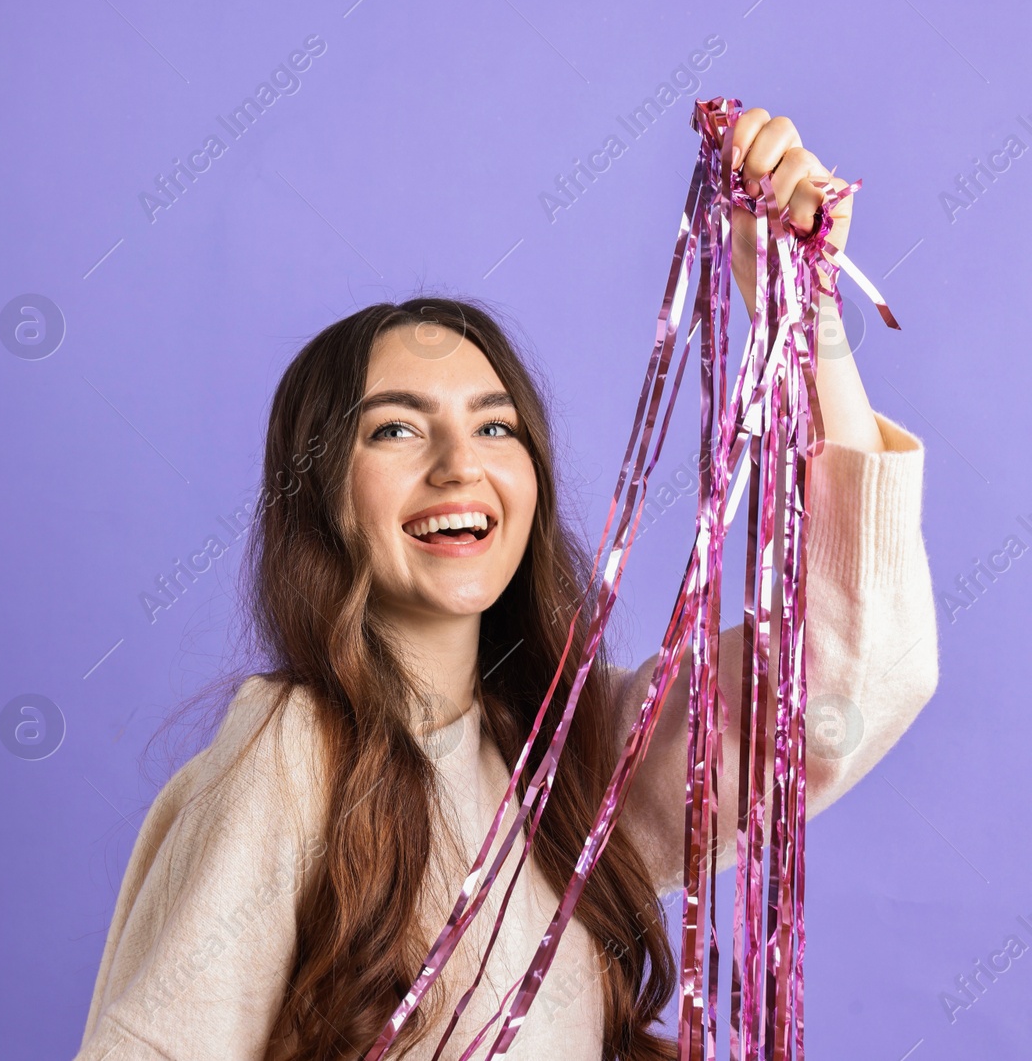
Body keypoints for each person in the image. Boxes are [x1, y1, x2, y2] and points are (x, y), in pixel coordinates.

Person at [73, 109, 940, 1060]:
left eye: (495, 427)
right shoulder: (296, 752)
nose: (459, 465)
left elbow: (846, 680)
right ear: (321, 493)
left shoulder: (572, 758)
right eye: (395, 429)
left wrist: (799, 309)